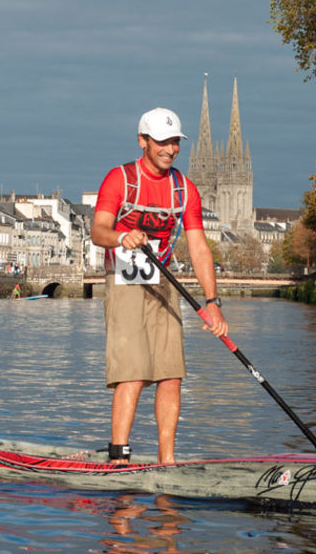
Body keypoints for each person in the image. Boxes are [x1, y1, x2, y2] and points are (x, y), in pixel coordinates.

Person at [90, 107, 227, 465]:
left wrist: (212, 302)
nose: (170, 149)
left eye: (175, 142)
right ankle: (120, 456)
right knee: (132, 371)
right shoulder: (120, 179)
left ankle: (167, 460)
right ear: (143, 141)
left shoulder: (184, 189)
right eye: (162, 142)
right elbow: (97, 231)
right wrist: (122, 237)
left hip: (163, 279)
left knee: (171, 373)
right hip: (123, 279)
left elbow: (198, 246)